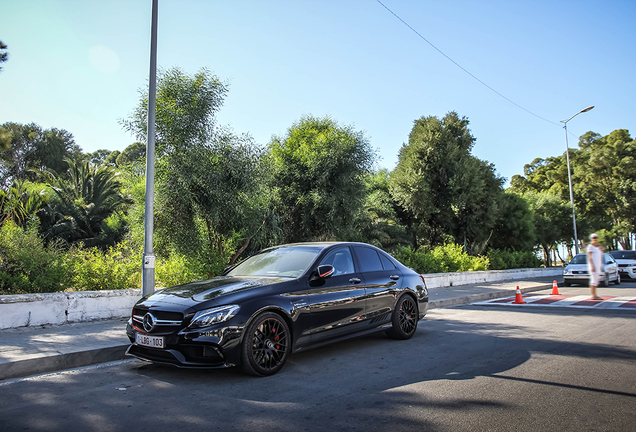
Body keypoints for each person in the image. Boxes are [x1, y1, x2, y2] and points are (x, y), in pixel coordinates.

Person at [587, 233, 604, 300]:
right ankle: (593, 295)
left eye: (596, 238)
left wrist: (599, 247)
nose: (595, 239)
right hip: (593, 266)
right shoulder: (590, 247)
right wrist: (592, 265)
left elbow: (602, 251)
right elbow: (589, 257)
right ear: (591, 239)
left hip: (598, 266)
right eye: (593, 238)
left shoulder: (598, 247)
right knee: (593, 281)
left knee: (597, 281)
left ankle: (595, 294)